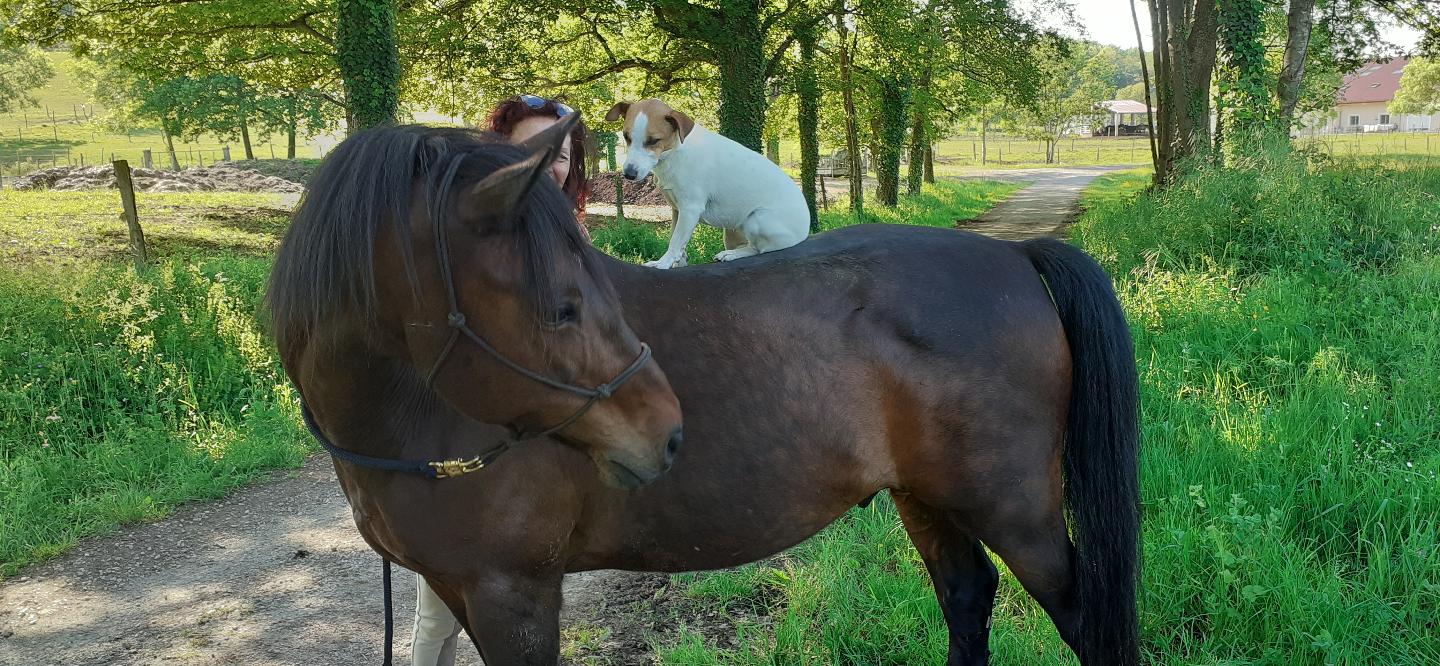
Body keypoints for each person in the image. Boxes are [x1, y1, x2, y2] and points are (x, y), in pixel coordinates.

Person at [410, 93, 591, 666]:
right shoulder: (471, 240)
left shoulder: (565, 232)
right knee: (444, 600)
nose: (550, 163)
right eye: (533, 150)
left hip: (534, 445)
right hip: (470, 446)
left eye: (561, 152)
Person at [487, 93, 592, 241]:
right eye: (528, 151)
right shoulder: (471, 234)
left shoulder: (576, 236)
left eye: (559, 156)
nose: (545, 167)